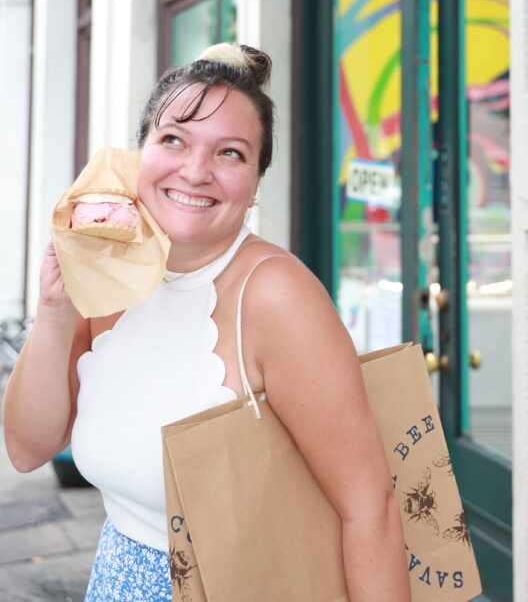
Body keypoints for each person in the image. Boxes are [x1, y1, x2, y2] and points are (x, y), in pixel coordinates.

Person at [3, 43, 410, 602]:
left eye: (231, 153)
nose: (195, 172)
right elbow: (27, 449)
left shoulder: (276, 296)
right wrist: (55, 311)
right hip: (114, 580)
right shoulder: (110, 266)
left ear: (255, 182)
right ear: (139, 151)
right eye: (173, 139)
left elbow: (370, 506)